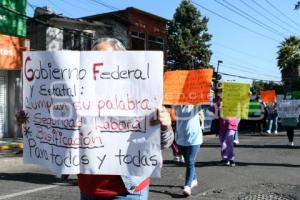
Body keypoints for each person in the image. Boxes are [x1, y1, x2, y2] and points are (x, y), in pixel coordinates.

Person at [78, 38, 174, 200]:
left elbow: (165, 143)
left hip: (126, 192)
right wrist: (31, 121)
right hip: (88, 189)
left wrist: (164, 126)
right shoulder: (78, 94)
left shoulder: (141, 95)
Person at [174, 105, 203, 197]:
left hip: (194, 139)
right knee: (188, 162)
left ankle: (187, 186)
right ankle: (194, 180)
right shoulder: (177, 106)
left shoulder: (195, 106)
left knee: (190, 161)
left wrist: (209, 95)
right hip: (181, 140)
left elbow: (205, 102)